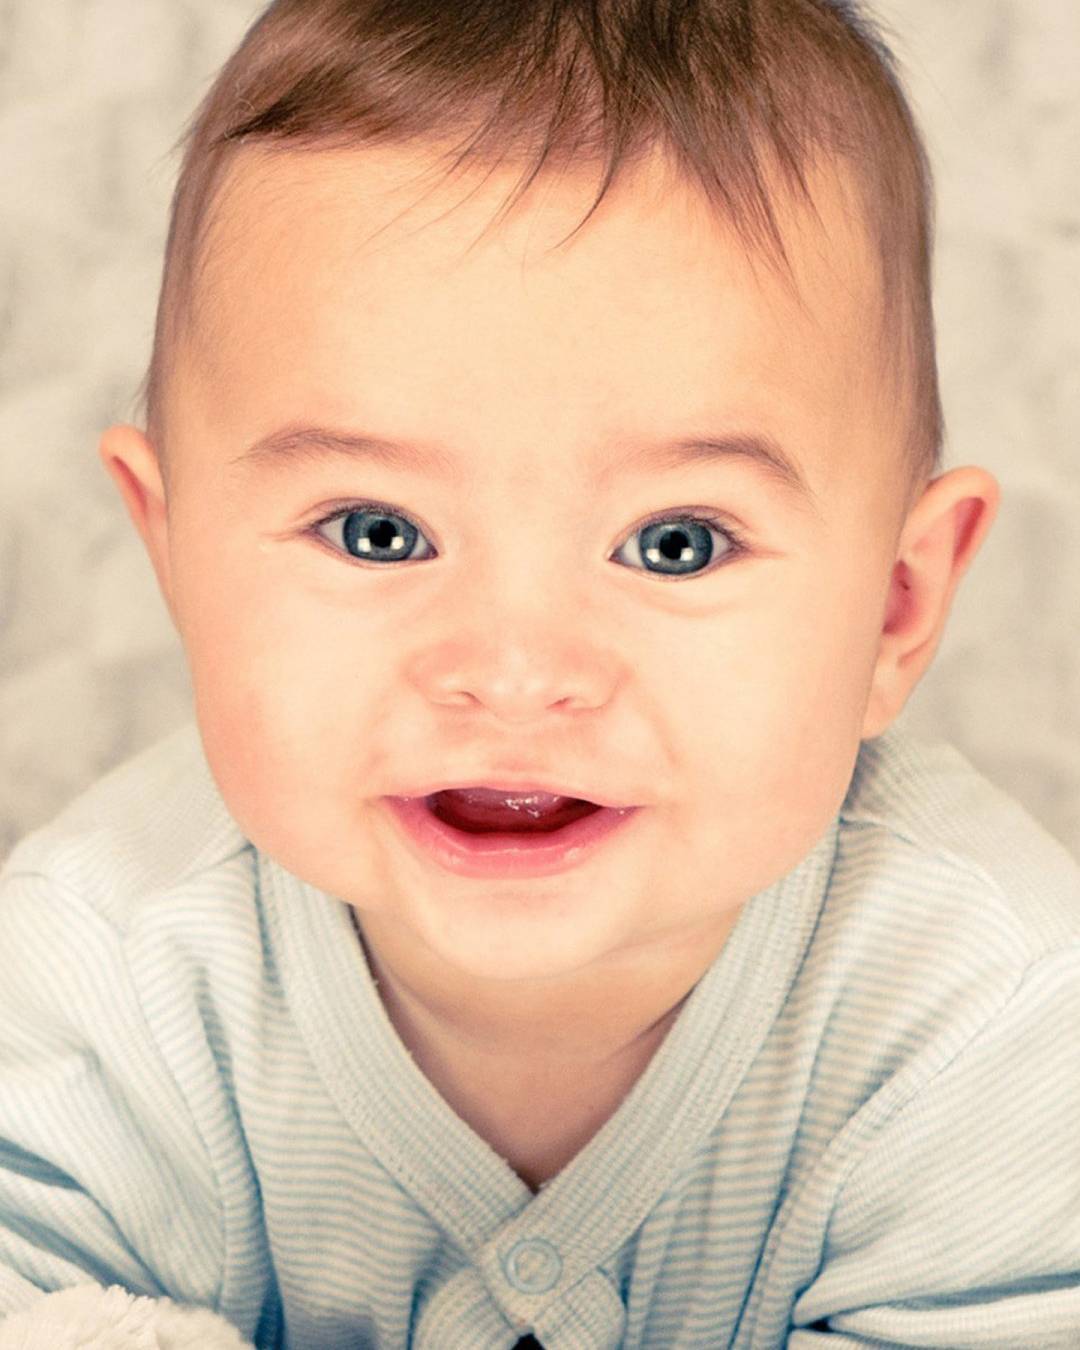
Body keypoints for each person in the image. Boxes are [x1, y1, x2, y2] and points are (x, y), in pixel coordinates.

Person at [1, 0, 1078, 1346]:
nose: (514, 674)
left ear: (894, 608)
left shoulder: (994, 1026)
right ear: (174, 557)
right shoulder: (97, 976)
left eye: (675, 543)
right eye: (377, 531)